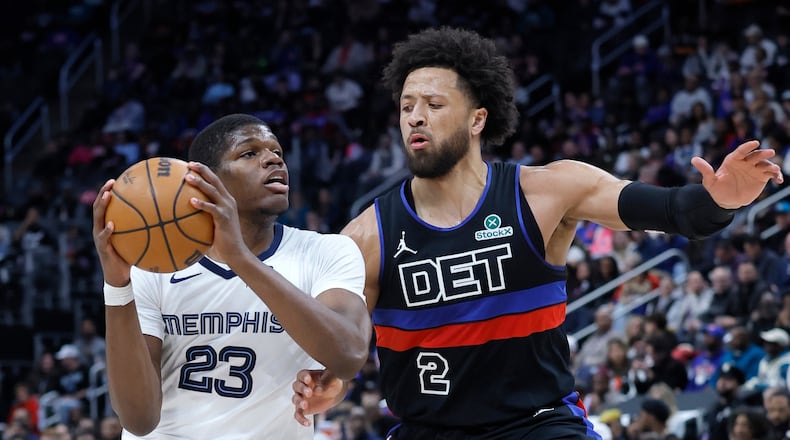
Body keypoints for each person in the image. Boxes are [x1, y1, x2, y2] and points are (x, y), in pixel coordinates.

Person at [292, 27, 783, 439]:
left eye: (434, 104)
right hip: (428, 430)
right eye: (406, 106)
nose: (415, 116)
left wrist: (721, 199)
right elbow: (347, 345)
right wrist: (332, 379)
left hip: (539, 425)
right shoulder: (366, 236)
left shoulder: (548, 190)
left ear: (478, 118)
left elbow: (677, 210)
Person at [92, 113, 371, 438]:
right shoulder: (155, 268)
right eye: (249, 153)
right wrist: (116, 287)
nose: (273, 160)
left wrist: (239, 258)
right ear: (205, 180)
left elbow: (349, 356)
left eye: (277, 152)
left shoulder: (327, 251)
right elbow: (138, 419)